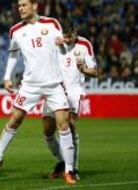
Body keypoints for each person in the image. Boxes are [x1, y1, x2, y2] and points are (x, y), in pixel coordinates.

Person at [0, 0, 76, 184]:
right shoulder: (16, 30)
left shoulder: (52, 24)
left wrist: (61, 45)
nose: (21, 9)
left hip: (53, 84)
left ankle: (69, 170)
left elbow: (64, 50)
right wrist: (6, 76)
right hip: (30, 85)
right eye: (19, 6)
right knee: (14, 120)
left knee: (63, 124)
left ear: (35, 6)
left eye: (24, 5)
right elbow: (12, 55)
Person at [43, 22, 98, 180]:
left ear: (75, 33)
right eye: (64, 36)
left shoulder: (84, 44)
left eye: (69, 36)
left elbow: (94, 71)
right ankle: (61, 161)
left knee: (71, 126)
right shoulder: (55, 42)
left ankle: (73, 168)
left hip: (74, 91)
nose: (66, 40)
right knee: (47, 131)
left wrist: (83, 69)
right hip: (55, 89)